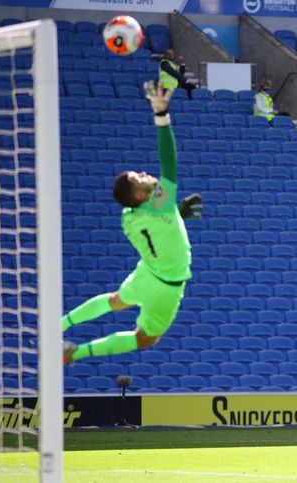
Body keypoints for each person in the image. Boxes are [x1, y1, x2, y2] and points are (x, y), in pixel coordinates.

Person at [63, 81, 200, 364]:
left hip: (146, 273)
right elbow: (169, 162)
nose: (144, 172)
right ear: (139, 194)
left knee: (115, 301)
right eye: (139, 177)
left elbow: (159, 226)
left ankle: (61, 324)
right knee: (145, 339)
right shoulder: (159, 203)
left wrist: (177, 215)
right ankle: (76, 353)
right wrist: (161, 116)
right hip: (166, 285)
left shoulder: (129, 216)